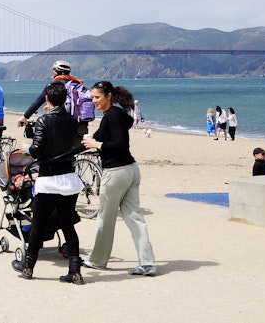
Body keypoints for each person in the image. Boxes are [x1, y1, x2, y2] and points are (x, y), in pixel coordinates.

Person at [11, 81, 85, 284]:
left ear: (47, 99)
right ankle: (75, 270)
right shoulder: (71, 120)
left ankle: (28, 268)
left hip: (48, 180)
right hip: (69, 179)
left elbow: (36, 151)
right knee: (68, 225)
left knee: (38, 225)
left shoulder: (44, 120)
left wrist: (25, 148)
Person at [81, 81, 156, 276]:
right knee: (135, 218)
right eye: (92, 97)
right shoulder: (118, 115)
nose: (94, 101)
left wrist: (98, 144)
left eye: (97, 97)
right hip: (131, 170)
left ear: (109, 96)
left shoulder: (112, 115)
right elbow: (109, 135)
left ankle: (97, 260)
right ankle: (147, 263)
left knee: (105, 218)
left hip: (116, 173)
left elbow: (119, 144)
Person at [18, 60, 88, 147]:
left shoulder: (54, 85)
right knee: (70, 154)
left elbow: (38, 102)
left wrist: (25, 117)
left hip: (62, 127)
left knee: (52, 151)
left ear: (55, 72)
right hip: (81, 127)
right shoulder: (77, 84)